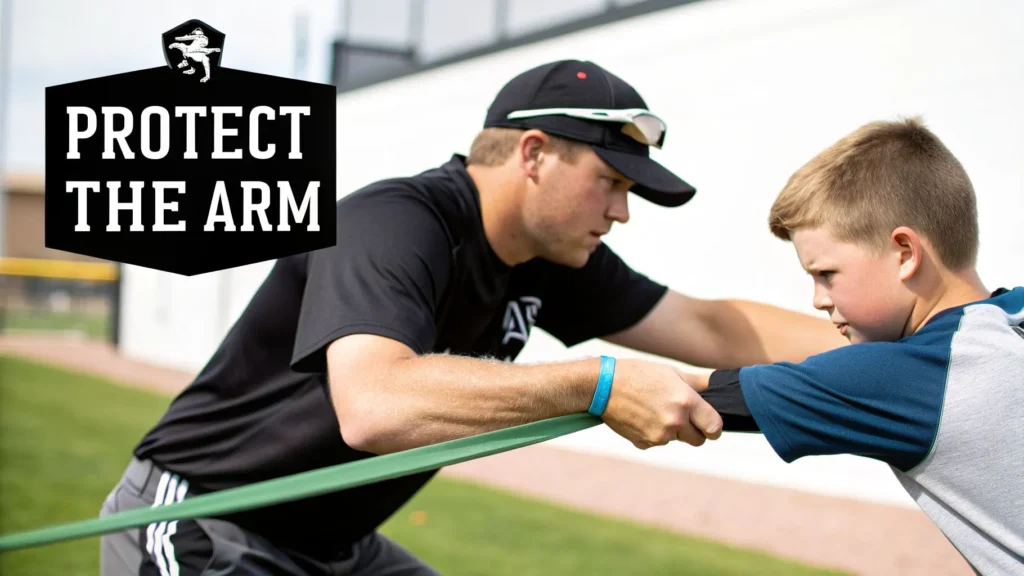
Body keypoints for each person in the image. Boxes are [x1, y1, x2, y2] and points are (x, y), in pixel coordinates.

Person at [99, 59, 847, 576]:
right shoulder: (393, 221)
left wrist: (918, 338)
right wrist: (597, 382)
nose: (621, 212)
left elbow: (714, 330)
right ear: (533, 153)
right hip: (205, 519)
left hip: (337, 545)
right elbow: (375, 404)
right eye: (609, 182)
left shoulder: (556, 258)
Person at [691, 117, 1024, 575]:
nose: (817, 300)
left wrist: (595, 383)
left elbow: (686, 394)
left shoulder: (917, 373)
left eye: (825, 274)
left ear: (905, 252)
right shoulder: (1009, 319)